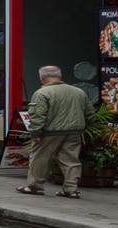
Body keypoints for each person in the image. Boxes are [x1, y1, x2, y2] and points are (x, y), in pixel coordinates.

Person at [19, 65, 90, 198]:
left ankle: (35, 186)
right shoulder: (78, 92)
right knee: (71, 160)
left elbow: (38, 115)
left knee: (40, 158)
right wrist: (85, 126)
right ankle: (71, 189)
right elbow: (89, 113)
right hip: (73, 131)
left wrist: (35, 133)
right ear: (60, 76)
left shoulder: (42, 93)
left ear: (41, 77)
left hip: (50, 132)